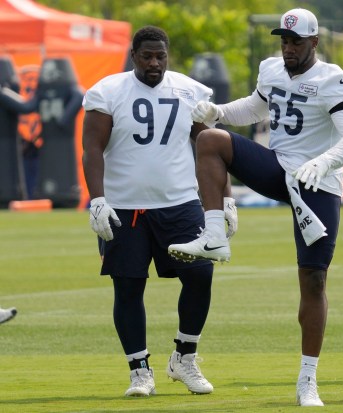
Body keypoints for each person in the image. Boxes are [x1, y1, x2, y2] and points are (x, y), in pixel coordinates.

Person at [168, 8, 343, 407]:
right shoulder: (272, 69)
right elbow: (258, 107)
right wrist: (220, 113)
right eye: (284, 40)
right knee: (210, 139)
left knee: (313, 279)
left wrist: (324, 161)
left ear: (314, 42)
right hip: (278, 167)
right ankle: (213, 235)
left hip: (316, 181)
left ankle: (307, 380)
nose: (288, 47)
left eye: (296, 41)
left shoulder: (332, 79)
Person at [82, 26, 237, 397]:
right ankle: (139, 370)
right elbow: (91, 149)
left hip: (180, 203)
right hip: (125, 207)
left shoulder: (190, 90)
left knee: (200, 277)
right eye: (147, 56)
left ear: (168, 56)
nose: (154, 63)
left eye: (160, 56)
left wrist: (226, 198)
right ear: (133, 55)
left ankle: (184, 357)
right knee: (129, 287)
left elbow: (210, 147)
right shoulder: (107, 91)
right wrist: (98, 199)